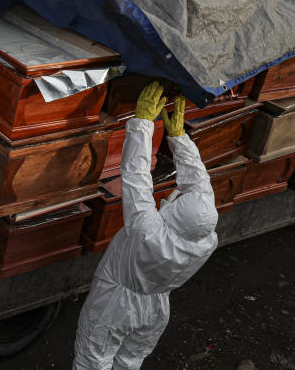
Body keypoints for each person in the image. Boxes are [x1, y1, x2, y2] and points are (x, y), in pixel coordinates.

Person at [73, 82, 219, 370]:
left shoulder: (147, 230)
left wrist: (141, 123)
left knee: (93, 360)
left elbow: (135, 176)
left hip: (114, 305)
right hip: (155, 310)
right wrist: (179, 138)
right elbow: (200, 187)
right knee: (130, 361)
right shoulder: (205, 239)